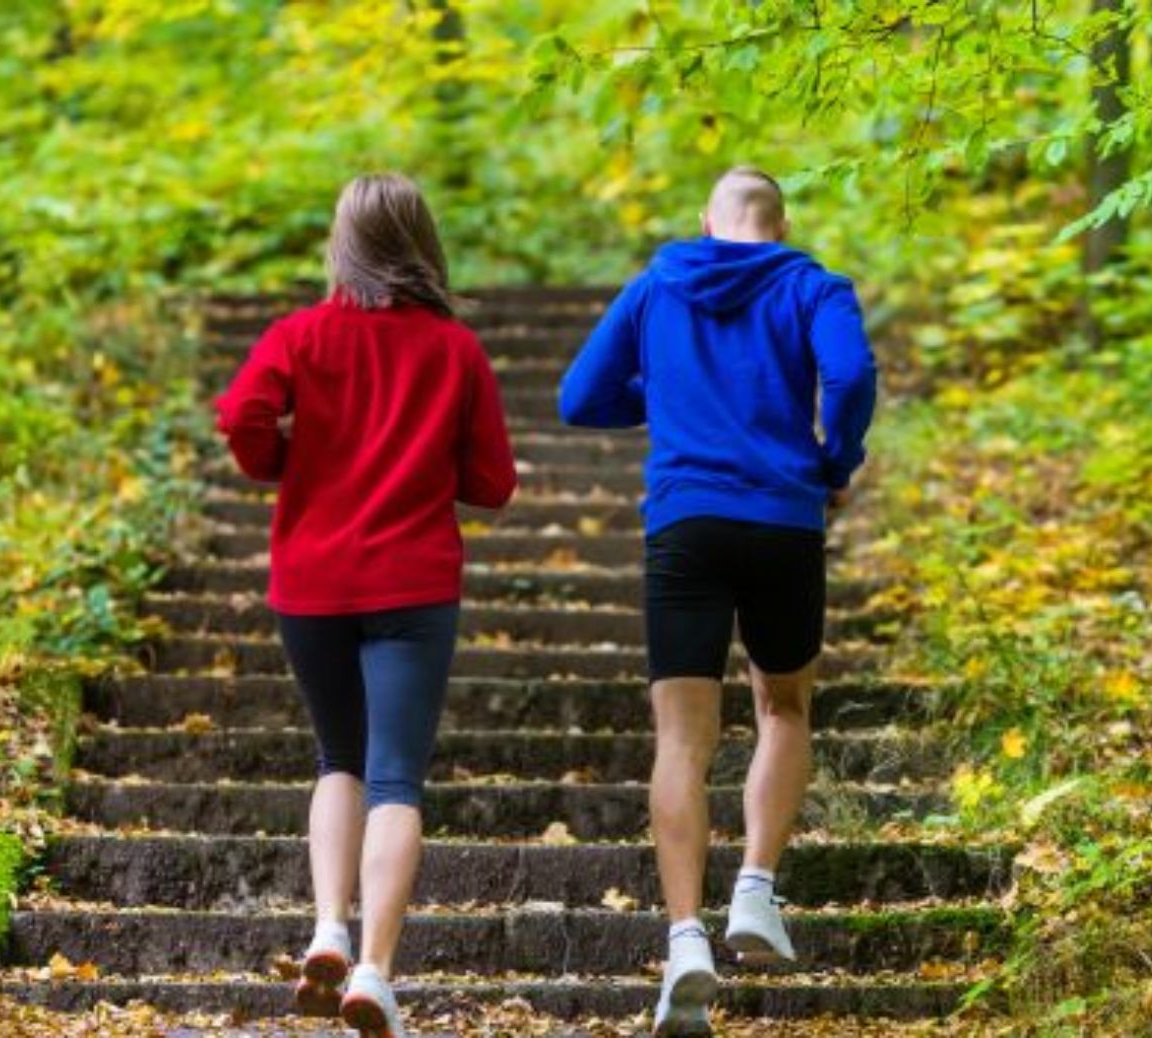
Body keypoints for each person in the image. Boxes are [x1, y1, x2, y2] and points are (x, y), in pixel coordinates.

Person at [559, 166, 877, 1037]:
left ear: (706, 220)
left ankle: (686, 937)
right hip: (783, 522)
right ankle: (756, 889)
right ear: (781, 220)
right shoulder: (815, 285)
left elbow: (579, 397)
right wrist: (832, 463)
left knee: (681, 739)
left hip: (685, 527)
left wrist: (664, 393)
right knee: (784, 706)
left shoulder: (658, 284)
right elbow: (849, 380)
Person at [215, 173, 516, 1038]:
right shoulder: (454, 349)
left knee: (335, 759)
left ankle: (327, 929)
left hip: (312, 579)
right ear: (423, 244)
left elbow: (243, 417)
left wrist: (283, 464)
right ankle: (376, 973)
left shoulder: (299, 336)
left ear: (342, 245)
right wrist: (426, 466)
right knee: (395, 778)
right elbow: (492, 484)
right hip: (413, 583)